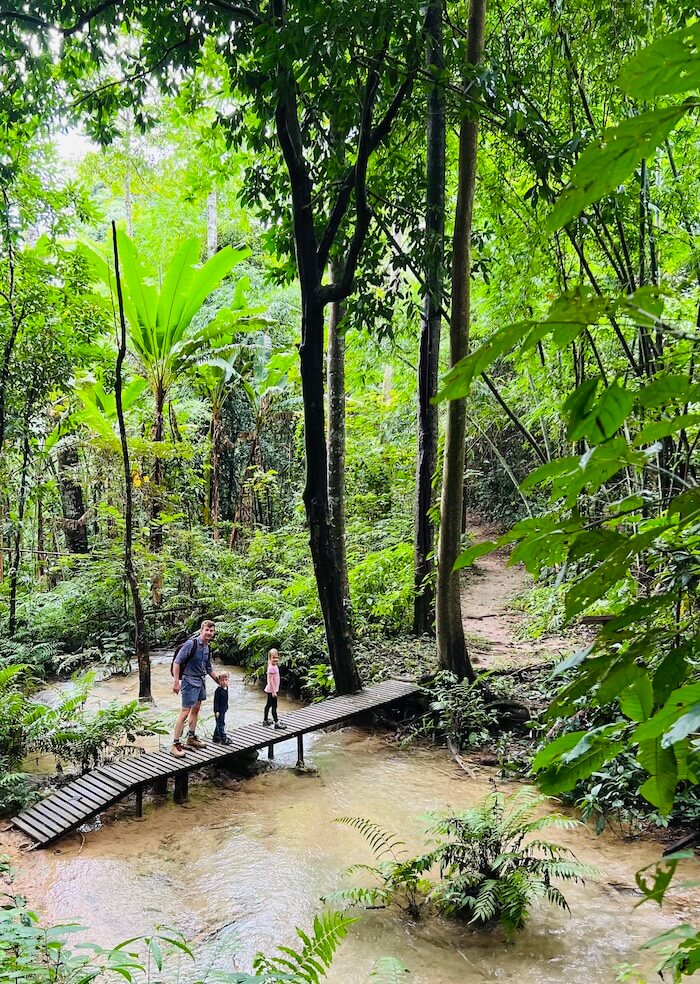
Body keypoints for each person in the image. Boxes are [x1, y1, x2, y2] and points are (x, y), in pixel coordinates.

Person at [171, 619, 220, 757]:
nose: (209, 633)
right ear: (201, 631)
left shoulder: (207, 647)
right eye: (207, 630)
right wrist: (176, 682)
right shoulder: (191, 644)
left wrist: (218, 680)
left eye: (211, 631)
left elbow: (208, 667)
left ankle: (191, 738)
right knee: (185, 712)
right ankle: (175, 744)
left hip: (201, 680)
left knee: (196, 709)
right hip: (188, 680)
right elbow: (177, 662)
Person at [262, 648, 287, 730]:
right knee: (274, 706)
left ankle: (265, 720)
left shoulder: (274, 665)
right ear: (270, 658)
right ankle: (276, 722)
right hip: (272, 690)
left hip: (272, 689)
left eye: (277, 657)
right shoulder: (271, 668)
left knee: (268, 705)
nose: (275, 659)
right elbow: (270, 680)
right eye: (273, 658)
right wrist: (273, 691)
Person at [212, 672, 233, 744]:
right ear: (219, 681)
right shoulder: (218, 691)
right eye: (222, 680)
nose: (224, 682)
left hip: (223, 709)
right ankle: (223, 739)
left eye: (226, 680)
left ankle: (216, 737)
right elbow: (216, 702)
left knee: (219, 723)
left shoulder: (226, 688)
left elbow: (226, 699)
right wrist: (216, 711)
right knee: (221, 724)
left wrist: (226, 706)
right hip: (219, 711)